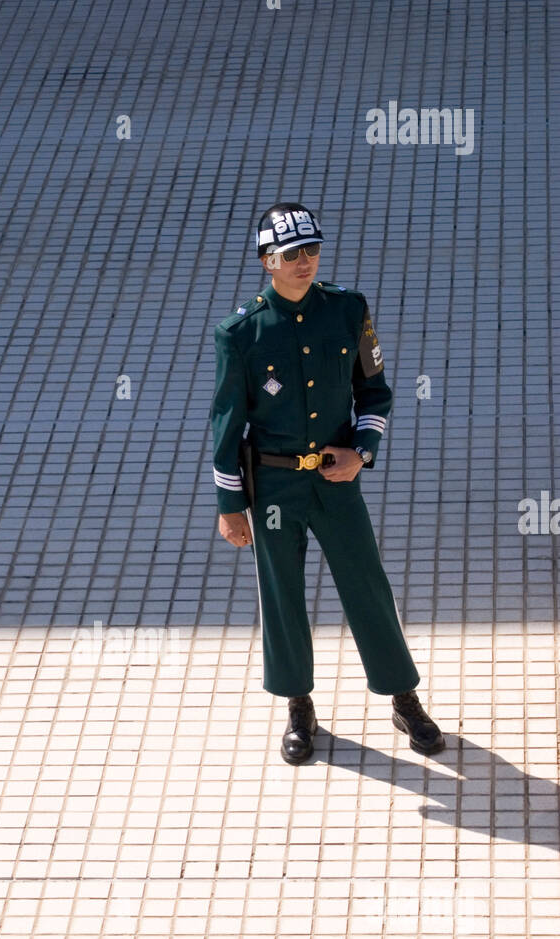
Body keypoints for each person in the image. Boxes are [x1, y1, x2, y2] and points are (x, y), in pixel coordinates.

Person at [210, 200, 445, 765]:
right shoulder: (240, 333)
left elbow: (376, 392)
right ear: (267, 261)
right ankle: (298, 706)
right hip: (273, 489)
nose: (304, 262)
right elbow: (226, 420)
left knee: (367, 585)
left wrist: (362, 452)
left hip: (337, 482)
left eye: (311, 250)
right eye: (291, 254)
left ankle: (403, 696)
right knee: (282, 595)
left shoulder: (348, 310)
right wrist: (230, 504)